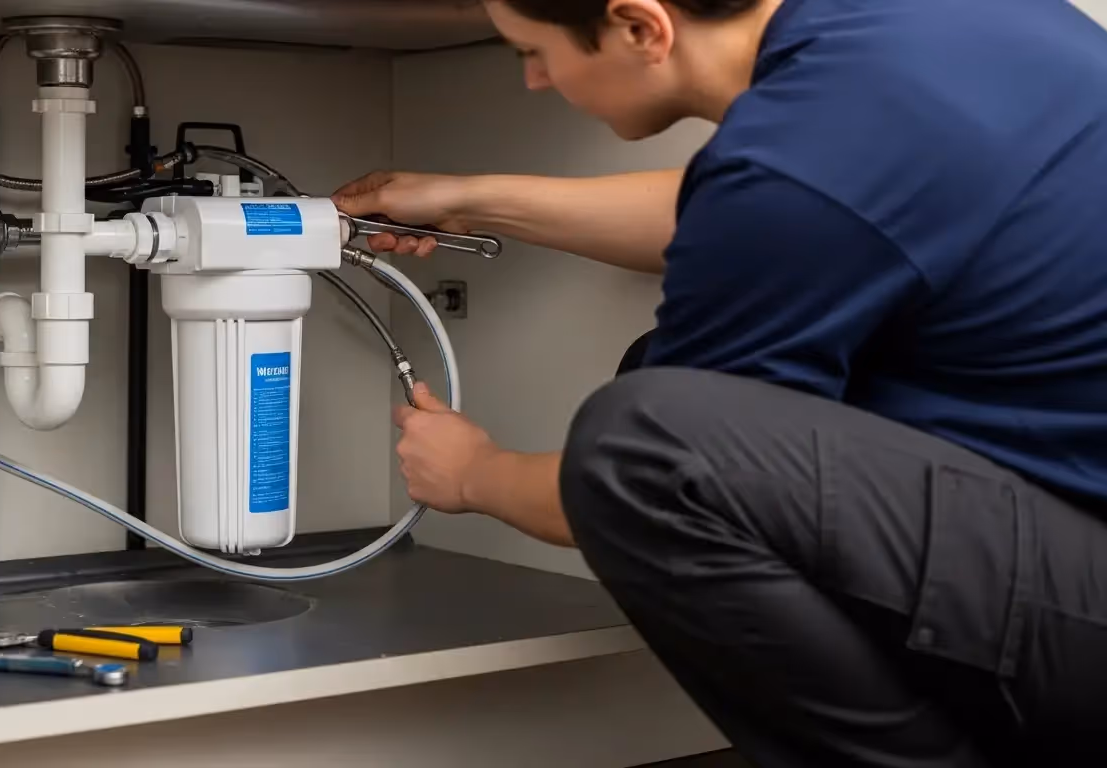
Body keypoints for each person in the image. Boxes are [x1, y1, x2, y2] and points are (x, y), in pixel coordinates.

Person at [331, 1, 1107, 766]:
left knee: (643, 443)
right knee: (664, 377)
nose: (535, 80)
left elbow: (653, 473)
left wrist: (475, 474)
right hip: (1067, 530)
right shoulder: (915, 31)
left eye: (532, 52)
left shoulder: (794, 158)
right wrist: (468, 199)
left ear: (640, 27)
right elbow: (765, 205)